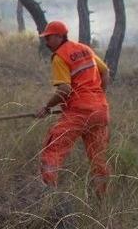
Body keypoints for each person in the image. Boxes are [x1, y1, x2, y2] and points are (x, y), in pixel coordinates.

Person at [35, 20, 111, 197]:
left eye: (48, 38)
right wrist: (98, 96)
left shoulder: (60, 56)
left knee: (52, 150)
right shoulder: (85, 48)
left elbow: (64, 89)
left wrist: (46, 107)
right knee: (98, 158)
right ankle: (103, 200)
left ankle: (48, 198)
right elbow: (106, 71)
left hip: (79, 112)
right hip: (100, 110)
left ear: (59, 36)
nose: (46, 42)